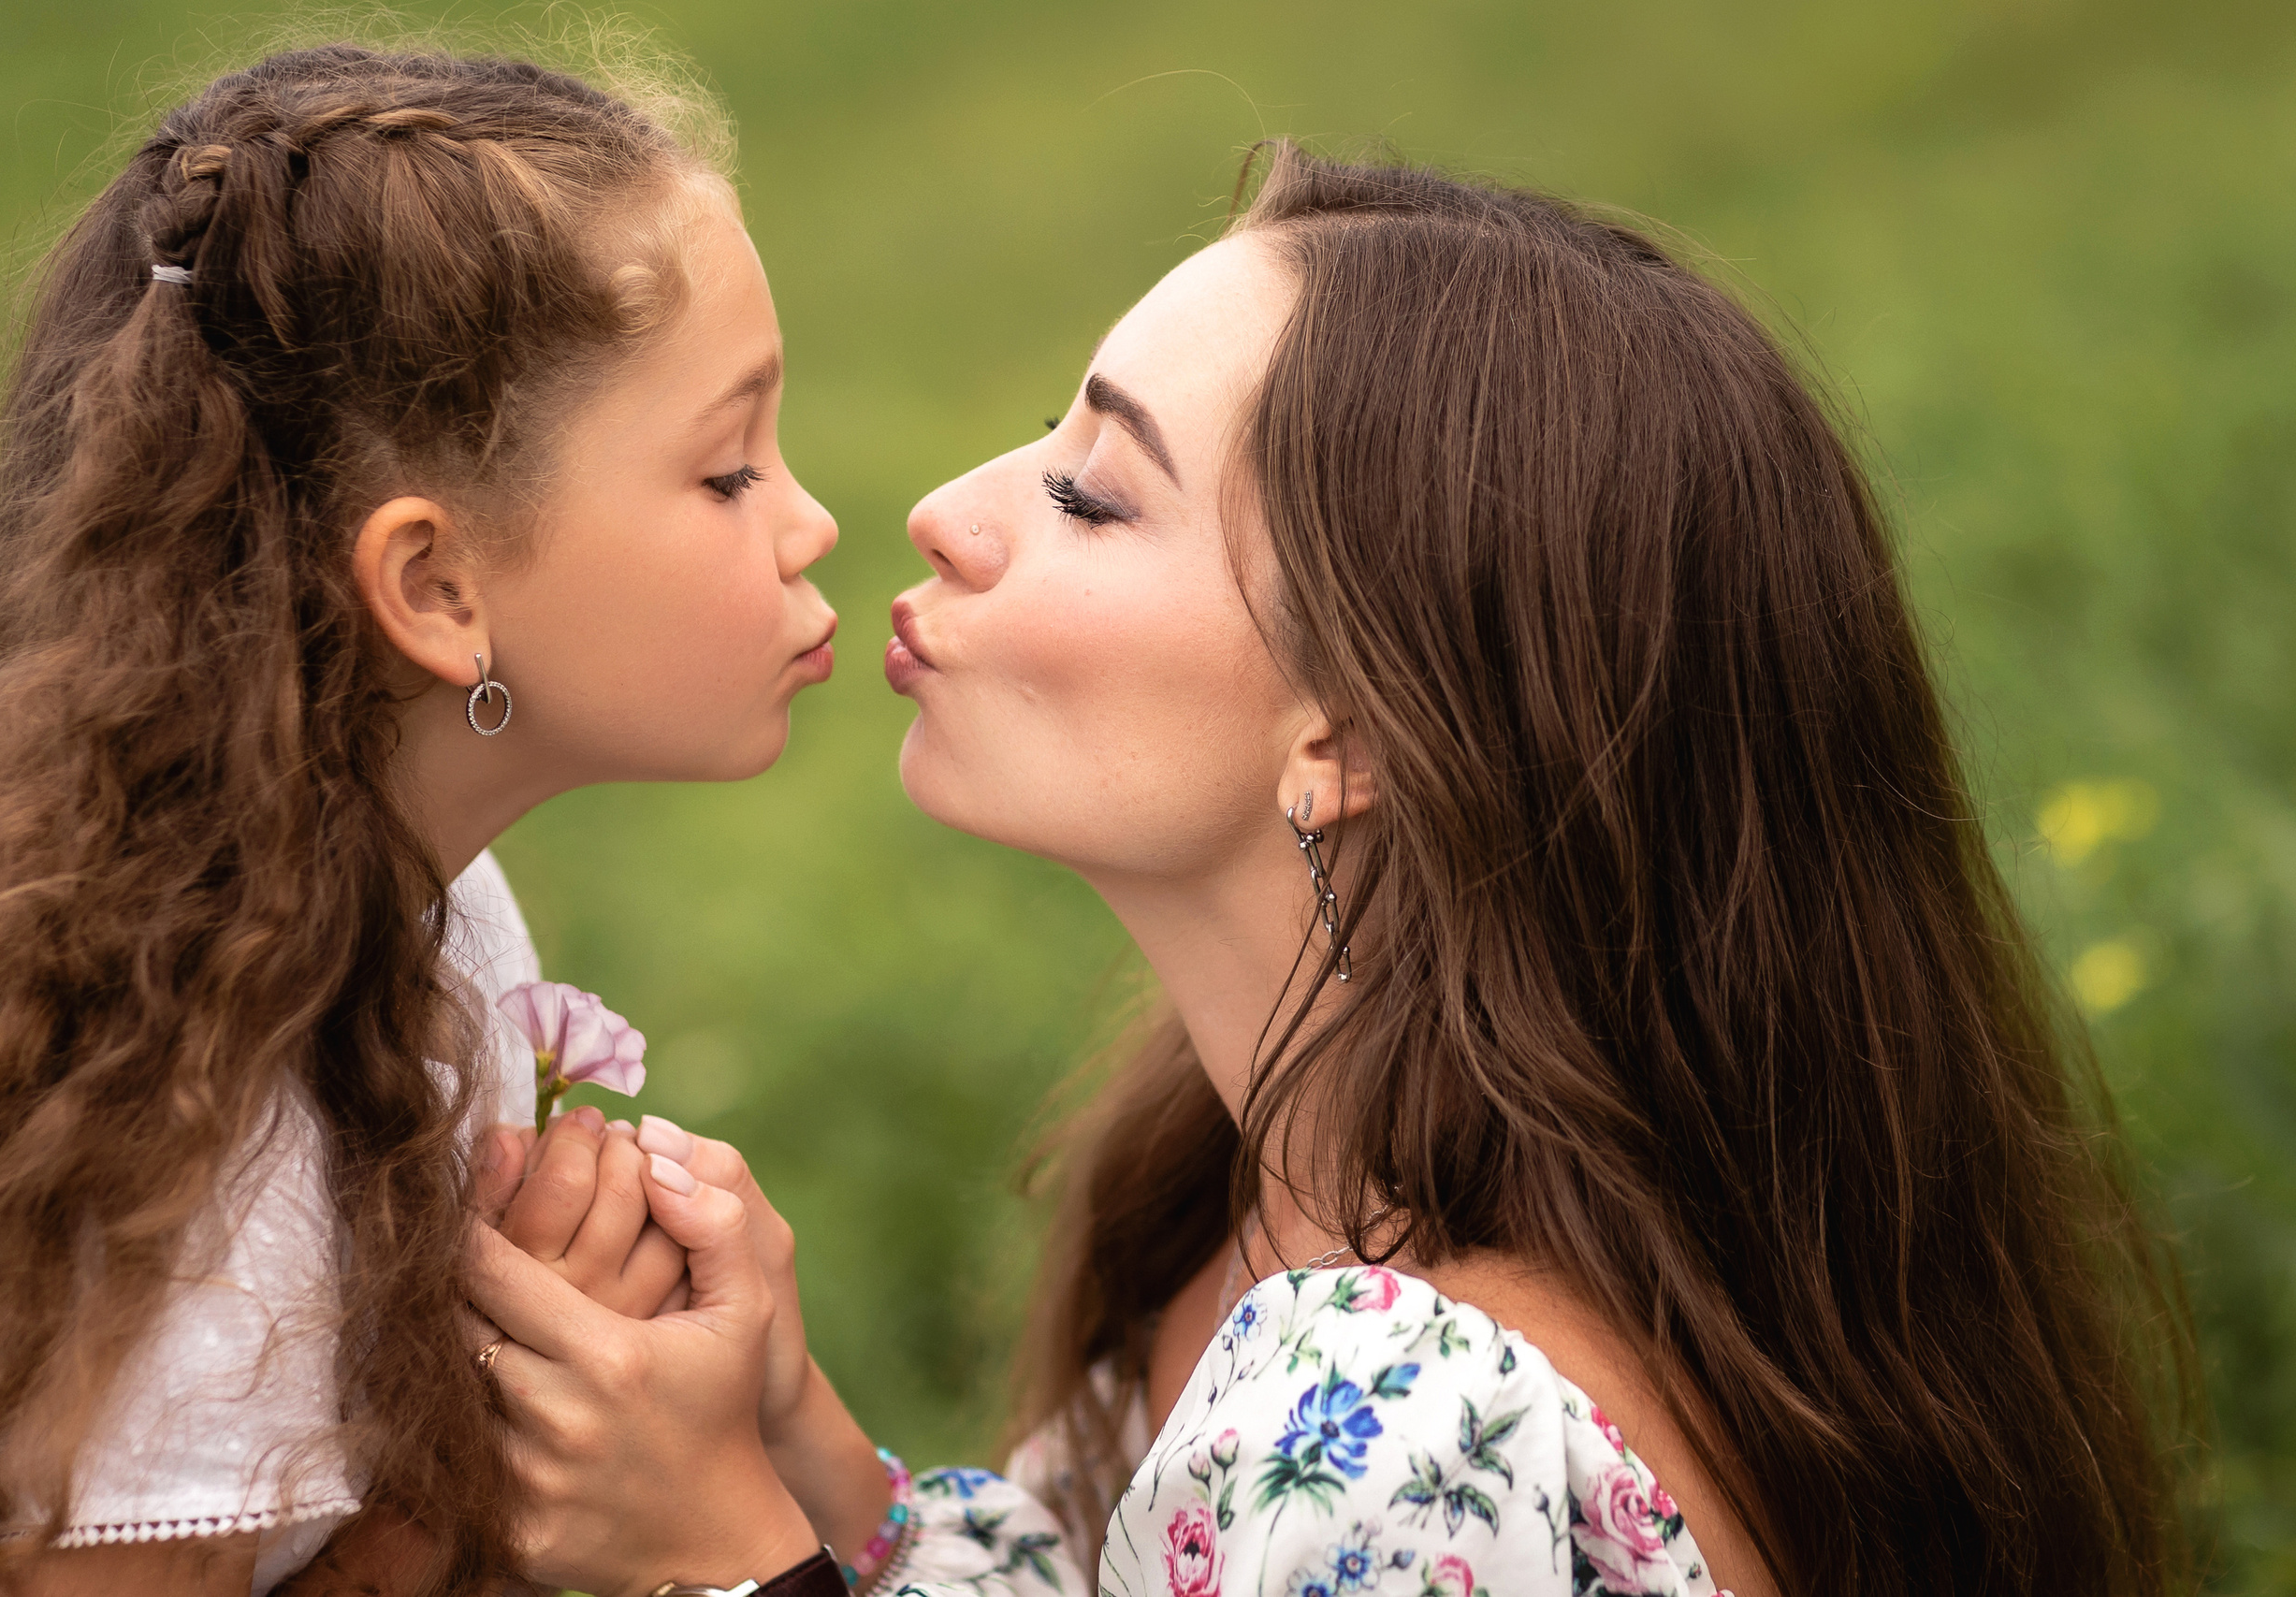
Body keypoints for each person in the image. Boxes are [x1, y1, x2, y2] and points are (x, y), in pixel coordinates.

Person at [468, 145, 2194, 1597]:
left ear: (1355, 731)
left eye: (1092, 494)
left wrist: (719, 1551)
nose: (941, 510)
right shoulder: (1264, 1203)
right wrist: (816, 1462)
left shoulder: (1393, 1415)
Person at [0, 40, 844, 1596]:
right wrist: (470, 1432)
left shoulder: (432, 912)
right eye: (729, 468)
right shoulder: (196, 1173)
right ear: (438, 589)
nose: (809, 516)